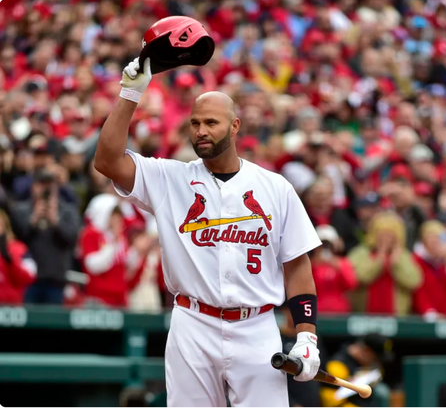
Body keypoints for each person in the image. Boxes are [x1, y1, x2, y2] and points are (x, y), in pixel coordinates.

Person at [94, 57, 322, 407]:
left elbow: (296, 263)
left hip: (257, 325)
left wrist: (306, 336)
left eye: (211, 123)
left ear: (234, 127)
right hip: (192, 322)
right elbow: (107, 161)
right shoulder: (170, 178)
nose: (200, 130)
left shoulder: (275, 187)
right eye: (195, 122)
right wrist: (130, 92)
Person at [11, 170, 81, 305]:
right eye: (41, 184)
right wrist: (33, 219)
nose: (45, 189)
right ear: (33, 187)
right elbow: (16, 241)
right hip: (28, 280)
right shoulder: (20, 210)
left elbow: (71, 239)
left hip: (56, 281)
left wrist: (55, 221)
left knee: (53, 323)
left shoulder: (68, 211)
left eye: (49, 185)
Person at [320, 333, 393, 407]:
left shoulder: (364, 366)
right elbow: (331, 400)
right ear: (367, 352)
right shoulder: (337, 365)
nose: (375, 363)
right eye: (375, 359)